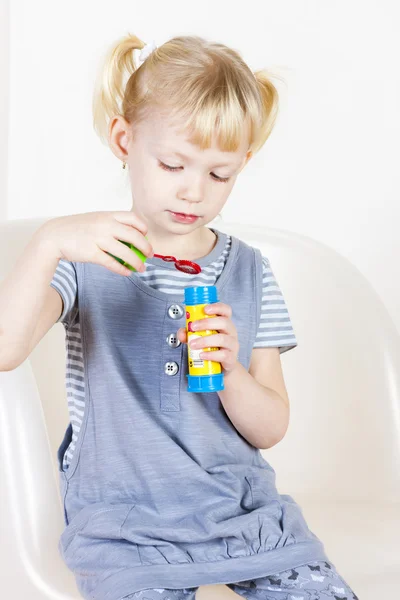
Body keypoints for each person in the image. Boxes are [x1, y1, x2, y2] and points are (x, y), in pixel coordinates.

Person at [0, 33, 359, 600]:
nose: (194, 191)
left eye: (220, 175)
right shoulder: (89, 257)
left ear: (244, 163)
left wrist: (233, 372)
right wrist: (48, 242)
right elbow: (4, 349)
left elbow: (270, 426)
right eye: (173, 163)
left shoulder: (250, 270)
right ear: (125, 140)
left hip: (243, 516)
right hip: (126, 527)